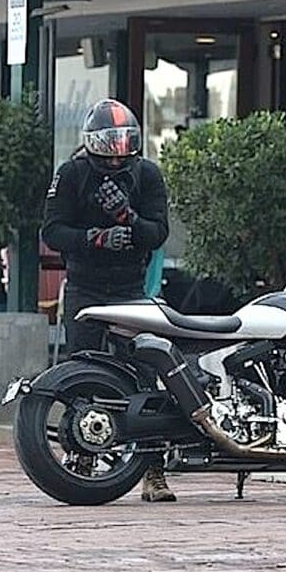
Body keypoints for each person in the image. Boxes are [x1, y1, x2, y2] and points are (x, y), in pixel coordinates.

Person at [42, 98, 175, 502]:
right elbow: (52, 231)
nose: (116, 156)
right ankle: (81, 457)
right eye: (108, 144)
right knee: (80, 371)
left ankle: (153, 471)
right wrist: (94, 238)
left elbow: (158, 232)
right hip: (85, 285)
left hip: (131, 289)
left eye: (123, 145)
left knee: (144, 371)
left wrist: (128, 221)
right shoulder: (71, 174)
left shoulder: (147, 174)